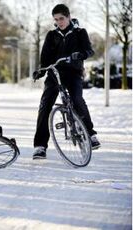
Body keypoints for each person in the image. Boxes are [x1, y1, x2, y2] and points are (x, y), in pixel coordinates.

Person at [32, 4, 101, 160]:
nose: (59, 22)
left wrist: (80, 55)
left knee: (77, 99)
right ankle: (40, 146)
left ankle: (90, 134)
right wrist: (40, 71)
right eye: (56, 19)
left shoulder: (79, 33)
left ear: (69, 17)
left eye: (61, 18)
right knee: (45, 105)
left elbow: (89, 50)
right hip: (55, 73)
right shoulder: (51, 35)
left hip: (73, 72)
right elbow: (45, 59)